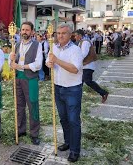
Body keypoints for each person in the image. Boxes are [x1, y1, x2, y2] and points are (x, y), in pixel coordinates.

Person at [46, 24, 84, 162]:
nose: (60, 36)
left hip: (72, 89)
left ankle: (75, 150)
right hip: (58, 87)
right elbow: (48, 61)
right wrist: (49, 63)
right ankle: (68, 142)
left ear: (70, 35)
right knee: (63, 118)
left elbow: (75, 69)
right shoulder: (54, 47)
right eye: (58, 33)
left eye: (63, 33)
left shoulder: (75, 50)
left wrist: (56, 60)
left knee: (73, 120)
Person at [9, 22, 42, 145]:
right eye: (23, 29)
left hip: (31, 80)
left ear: (32, 32)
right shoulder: (16, 45)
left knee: (33, 105)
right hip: (18, 79)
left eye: (27, 30)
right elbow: (11, 64)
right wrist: (11, 59)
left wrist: (21, 66)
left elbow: (38, 64)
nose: (24, 32)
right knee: (19, 105)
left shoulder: (37, 45)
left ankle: (34, 133)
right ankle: (21, 129)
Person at [75, 29, 109, 104]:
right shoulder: (81, 42)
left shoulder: (85, 43)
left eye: (76, 35)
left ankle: (103, 93)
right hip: (84, 65)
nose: (75, 37)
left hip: (88, 65)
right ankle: (76, 97)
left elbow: (83, 54)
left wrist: (76, 59)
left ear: (80, 35)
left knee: (88, 81)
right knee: (79, 81)